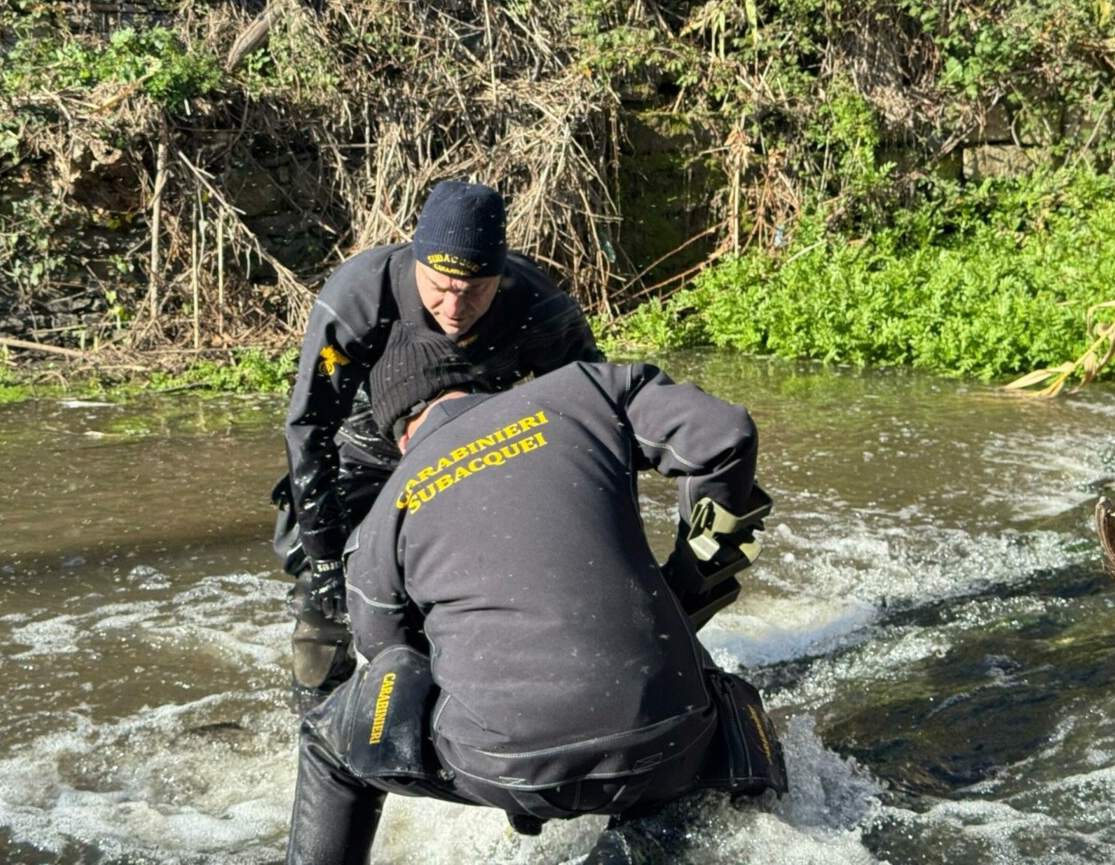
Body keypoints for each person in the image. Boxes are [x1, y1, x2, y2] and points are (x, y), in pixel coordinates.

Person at [285, 324, 786, 865]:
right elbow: (725, 435)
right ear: (483, 384)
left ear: (397, 435)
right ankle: (694, 816)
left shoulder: (386, 510)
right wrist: (687, 585)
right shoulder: (585, 389)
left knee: (328, 739)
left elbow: (390, 658)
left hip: (501, 768)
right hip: (672, 740)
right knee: (697, 675)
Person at [274, 180, 602, 714]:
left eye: (474, 291)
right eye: (439, 287)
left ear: (500, 276)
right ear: (417, 262)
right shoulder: (361, 296)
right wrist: (325, 555)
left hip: (474, 451)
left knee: (480, 588)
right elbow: (309, 427)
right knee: (323, 604)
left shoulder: (536, 305)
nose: (454, 307)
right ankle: (314, 716)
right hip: (364, 453)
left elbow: (592, 413)